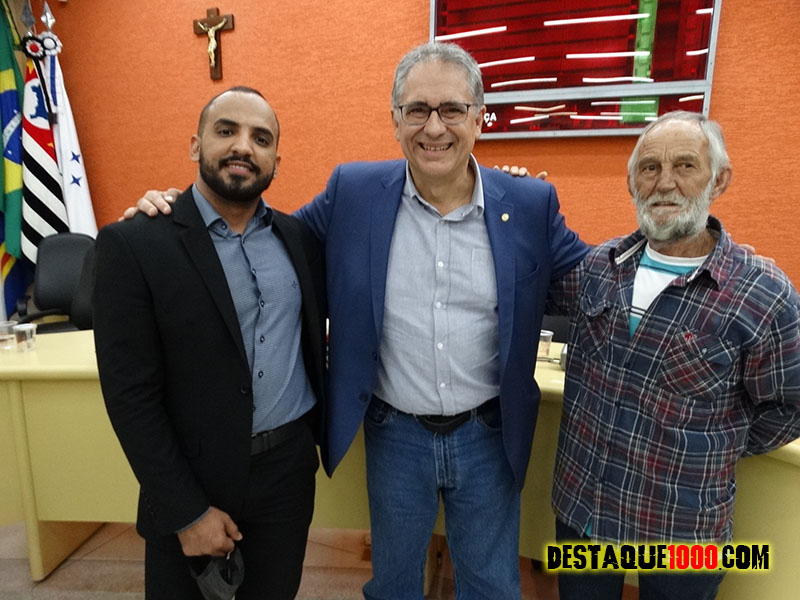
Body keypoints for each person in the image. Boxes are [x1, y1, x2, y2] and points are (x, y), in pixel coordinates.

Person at [130, 42, 589, 599]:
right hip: (395, 433)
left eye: (452, 109)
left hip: (489, 434)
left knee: (492, 586)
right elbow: (266, 238)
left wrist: (680, 248)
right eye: (417, 110)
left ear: (478, 118)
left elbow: (596, 279)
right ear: (396, 120)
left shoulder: (528, 203)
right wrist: (177, 214)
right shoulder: (354, 192)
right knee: (393, 586)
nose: (434, 127)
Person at [548, 111, 800, 599]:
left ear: (718, 180)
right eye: (649, 168)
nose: (664, 183)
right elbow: (523, 278)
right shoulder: (597, 269)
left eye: (685, 165)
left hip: (683, 529)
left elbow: (791, 404)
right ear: (631, 184)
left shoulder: (763, 295)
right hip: (584, 511)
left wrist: (718, 443)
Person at [93, 86, 326, 600]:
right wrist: (185, 511)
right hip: (191, 478)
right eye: (226, 131)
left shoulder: (300, 240)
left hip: (286, 477)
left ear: (276, 161)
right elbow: (130, 397)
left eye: (260, 138)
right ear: (196, 146)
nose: (243, 146)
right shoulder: (135, 244)